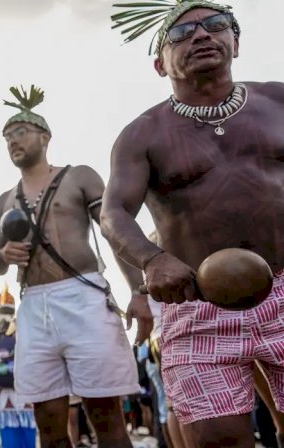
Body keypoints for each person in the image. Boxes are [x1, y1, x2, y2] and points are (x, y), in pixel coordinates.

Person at [103, 2, 284, 446]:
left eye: (216, 25)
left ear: (235, 43)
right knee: (217, 441)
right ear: (158, 64)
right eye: (181, 33)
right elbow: (113, 213)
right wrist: (152, 260)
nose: (201, 35)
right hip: (196, 303)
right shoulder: (141, 134)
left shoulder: (279, 100)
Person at [0, 84, 144, 447]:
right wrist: (4, 255)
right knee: (50, 423)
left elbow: (113, 234)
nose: (13, 141)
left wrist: (138, 291)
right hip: (34, 305)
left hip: (83, 297)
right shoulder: (3, 201)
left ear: (45, 136)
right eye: (7, 136)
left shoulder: (79, 176)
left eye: (20, 132)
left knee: (105, 415)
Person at [0, 283, 37, 448]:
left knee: (10, 441)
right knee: (28, 440)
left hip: (2, 401)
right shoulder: (25, 334)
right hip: (26, 398)